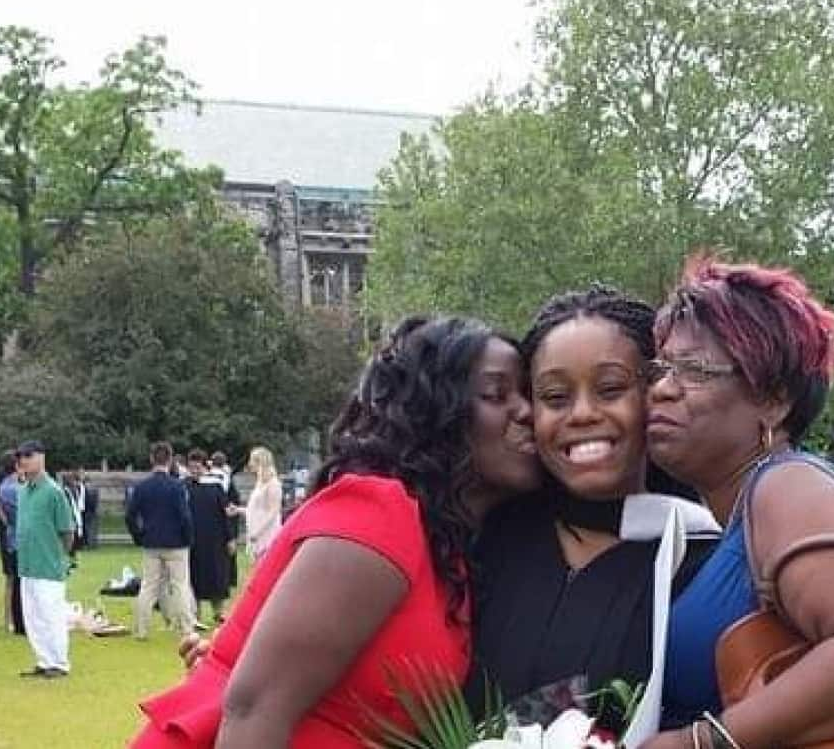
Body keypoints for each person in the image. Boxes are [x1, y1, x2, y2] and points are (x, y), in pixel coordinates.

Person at [133, 316, 542, 747]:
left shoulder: (447, 549)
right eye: (497, 394)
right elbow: (254, 710)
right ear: (434, 412)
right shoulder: (380, 514)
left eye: (529, 395)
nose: (527, 412)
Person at [643, 257, 834, 747]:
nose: (662, 389)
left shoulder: (788, 487)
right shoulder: (744, 510)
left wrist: (697, 742)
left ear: (774, 401)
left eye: (693, 370)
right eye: (661, 368)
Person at [467, 286, 716, 714]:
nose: (581, 414)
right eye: (555, 398)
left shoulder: (702, 560)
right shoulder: (488, 540)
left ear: (653, 396)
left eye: (610, 388)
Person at [14, 440, 76, 678]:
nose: (23, 461)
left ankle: (59, 663)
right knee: (33, 616)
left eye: (28, 456)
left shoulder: (53, 491)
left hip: (48, 564)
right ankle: (44, 660)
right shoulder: (23, 492)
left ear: (41, 458)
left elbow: (66, 530)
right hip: (27, 564)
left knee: (51, 615)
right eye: (21, 457)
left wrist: (62, 556)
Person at [127, 441, 196, 639]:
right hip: (176, 543)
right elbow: (185, 516)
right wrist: (189, 538)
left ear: (151, 459)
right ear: (171, 460)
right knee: (180, 584)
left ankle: (141, 629)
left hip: (151, 542)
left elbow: (130, 515)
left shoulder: (141, 488)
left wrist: (138, 535)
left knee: (148, 586)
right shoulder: (177, 487)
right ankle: (186, 627)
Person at [184, 450, 234, 625]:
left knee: (216, 576)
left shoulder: (216, 485)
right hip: (193, 538)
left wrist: (230, 538)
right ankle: (194, 613)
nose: (194, 471)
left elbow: (225, 513)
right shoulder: (185, 486)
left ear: (205, 466)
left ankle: (218, 611)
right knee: (194, 576)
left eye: (197, 467)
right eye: (191, 467)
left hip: (215, 538)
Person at [0, 451, 26, 635]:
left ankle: (10, 620)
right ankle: (14, 620)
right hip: (15, 537)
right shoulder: (13, 487)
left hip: (9, 535)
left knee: (12, 579)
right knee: (15, 579)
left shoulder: (5, 484)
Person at [204, 452, 241, 591]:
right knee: (230, 553)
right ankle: (231, 578)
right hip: (229, 517)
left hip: (214, 519)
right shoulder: (227, 478)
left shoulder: (209, 477)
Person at [241, 446, 282, 562]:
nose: (250, 464)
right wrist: (238, 510)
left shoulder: (273, 484)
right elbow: (256, 508)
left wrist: (258, 532)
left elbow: (273, 511)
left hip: (266, 534)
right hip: (256, 531)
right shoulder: (260, 483)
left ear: (260, 462)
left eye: (252, 460)